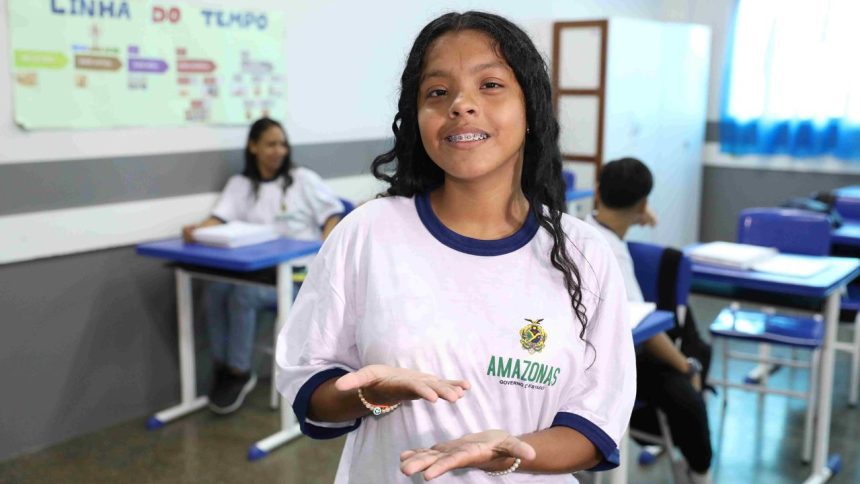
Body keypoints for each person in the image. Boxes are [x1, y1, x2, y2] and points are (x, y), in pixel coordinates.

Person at [276, 12, 635, 483]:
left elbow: (594, 425)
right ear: (417, 118)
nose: (461, 105)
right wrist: (373, 393)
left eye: (490, 85)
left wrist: (510, 452)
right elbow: (310, 379)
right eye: (438, 92)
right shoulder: (368, 232)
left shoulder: (584, 253)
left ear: (531, 108)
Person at [183, 117, 345, 415]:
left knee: (242, 297)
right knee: (216, 291)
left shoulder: (302, 179)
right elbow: (218, 218)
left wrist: (325, 253)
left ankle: (239, 370)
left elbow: (332, 213)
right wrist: (197, 230)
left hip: (298, 279)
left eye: (283, 144)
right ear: (253, 147)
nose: (279, 150)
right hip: (258, 273)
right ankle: (225, 367)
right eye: (271, 144)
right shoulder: (241, 184)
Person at [586, 157, 712, 483]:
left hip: (582, 352)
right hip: (609, 362)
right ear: (643, 203)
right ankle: (700, 471)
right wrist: (687, 367)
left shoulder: (581, 226)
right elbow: (643, 329)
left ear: (597, 191)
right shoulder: (611, 253)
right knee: (685, 385)